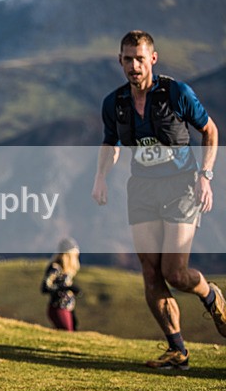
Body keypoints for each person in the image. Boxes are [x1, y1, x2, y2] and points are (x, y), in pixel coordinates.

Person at [92, 30, 225, 370]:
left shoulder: (177, 93)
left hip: (182, 187)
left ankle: (211, 295)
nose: (134, 65)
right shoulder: (115, 103)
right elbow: (111, 143)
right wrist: (101, 178)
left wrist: (205, 175)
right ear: (119, 61)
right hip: (142, 190)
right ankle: (177, 351)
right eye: (127, 59)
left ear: (153, 58)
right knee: (151, 272)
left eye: (140, 58)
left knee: (175, 272)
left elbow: (209, 130)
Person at [41, 237, 81, 331]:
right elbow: (45, 287)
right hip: (58, 307)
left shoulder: (65, 271)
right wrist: (66, 288)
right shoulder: (55, 268)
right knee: (67, 332)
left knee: (70, 331)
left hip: (67, 308)